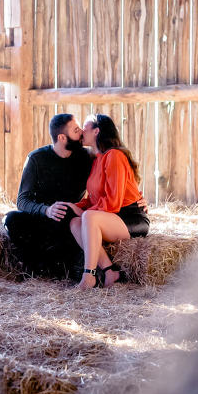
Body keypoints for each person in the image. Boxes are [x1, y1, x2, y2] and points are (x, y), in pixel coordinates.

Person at [3, 113, 93, 279]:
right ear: (62, 137)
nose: (81, 132)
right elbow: (22, 200)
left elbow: (114, 177)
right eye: (76, 129)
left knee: (74, 219)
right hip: (41, 219)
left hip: (69, 220)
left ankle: (58, 266)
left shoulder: (87, 157)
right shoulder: (36, 158)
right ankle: (38, 266)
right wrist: (46, 210)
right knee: (10, 219)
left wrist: (136, 197)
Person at [66, 114, 150, 289]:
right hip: (113, 216)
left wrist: (86, 212)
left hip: (130, 217)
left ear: (97, 131)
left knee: (88, 217)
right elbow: (95, 198)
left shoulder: (114, 156)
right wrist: (76, 207)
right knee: (75, 223)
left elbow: (113, 202)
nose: (82, 132)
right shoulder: (97, 159)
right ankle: (110, 272)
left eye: (85, 128)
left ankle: (88, 275)